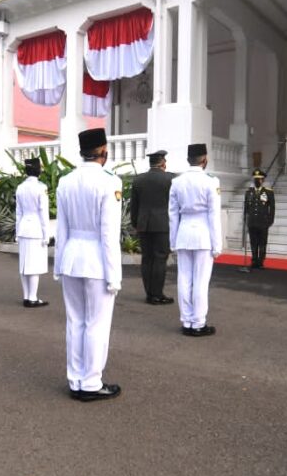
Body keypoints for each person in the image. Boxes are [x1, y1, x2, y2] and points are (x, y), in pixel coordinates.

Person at [55, 127, 123, 402]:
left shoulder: (66, 181)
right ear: (104, 152)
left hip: (72, 257)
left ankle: (75, 379)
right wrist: (114, 275)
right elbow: (109, 234)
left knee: (75, 322)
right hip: (97, 260)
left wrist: (58, 265)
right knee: (96, 323)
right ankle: (91, 383)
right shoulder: (110, 181)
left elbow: (62, 229)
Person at [169, 143, 223, 337]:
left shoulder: (177, 182)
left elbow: (173, 214)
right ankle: (198, 323)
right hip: (202, 234)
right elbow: (213, 215)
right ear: (204, 159)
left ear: (188, 160)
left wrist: (173, 241)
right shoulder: (211, 181)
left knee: (184, 279)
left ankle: (186, 320)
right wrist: (217, 244)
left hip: (184, 232)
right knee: (200, 281)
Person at [130, 149, 175, 304]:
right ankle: (157, 294)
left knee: (147, 259)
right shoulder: (170, 179)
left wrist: (136, 223)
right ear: (162, 163)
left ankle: (149, 292)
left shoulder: (138, 180)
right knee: (160, 259)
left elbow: (134, 206)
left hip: (144, 224)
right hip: (162, 224)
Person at [15, 157, 50, 307]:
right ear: (38, 170)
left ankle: (26, 296)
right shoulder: (41, 188)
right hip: (36, 228)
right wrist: (46, 234)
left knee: (24, 265)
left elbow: (18, 212)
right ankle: (33, 297)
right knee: (34, 265)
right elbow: (43, 213)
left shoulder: (20, 187)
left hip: (23, 228)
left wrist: (16, 232)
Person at [243, 168, 275, 269]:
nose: (257, 181)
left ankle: (260, 261)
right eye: (255, 179)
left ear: (263, 180)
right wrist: (245, 219)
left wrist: (270, 220)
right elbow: (246, 207)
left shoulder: (268, 192)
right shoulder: (249, 192)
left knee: (262, 242)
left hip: (263, 222)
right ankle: (254, 260)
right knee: (253, 242)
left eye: (259, 179)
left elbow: (272, 207)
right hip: (252, 221)